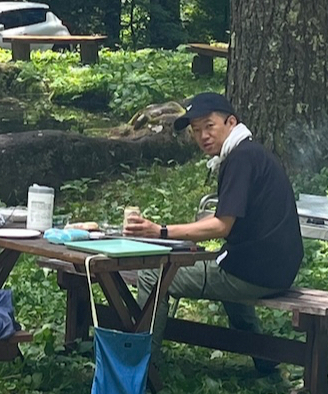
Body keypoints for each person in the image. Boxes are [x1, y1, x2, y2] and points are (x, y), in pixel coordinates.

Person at [123, 92, 304, 373]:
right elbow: (236, 216)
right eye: (196, 131)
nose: (203, 136)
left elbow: (221, 226)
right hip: (275, 268)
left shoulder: (241, 159)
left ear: (231, 122)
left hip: (254, 272)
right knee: (220, 261)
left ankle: (140, 369)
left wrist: (161, 231)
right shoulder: (251, 153)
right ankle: (264, 359)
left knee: (152, 276)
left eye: (209, 126)